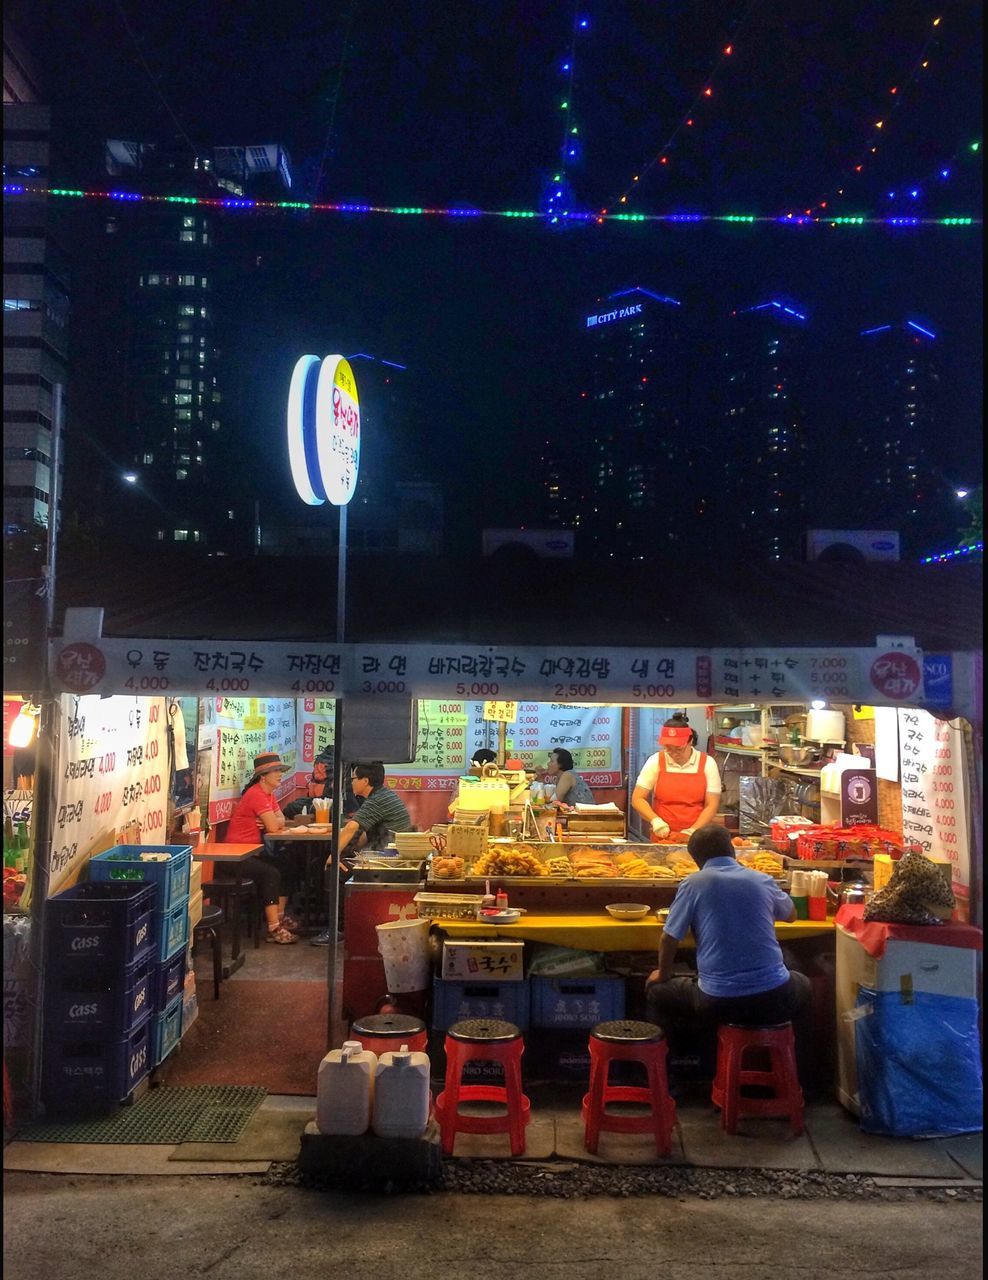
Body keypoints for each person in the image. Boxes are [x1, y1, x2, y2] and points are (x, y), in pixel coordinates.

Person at [646, 824, 811, 1079]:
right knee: (801, 978)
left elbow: (669, 938)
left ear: (696, 859)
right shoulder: (761, 879)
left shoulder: (693, 883)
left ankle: (669, 1080)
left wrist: (663, 974)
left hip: (717, 1002)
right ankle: (799, 1079)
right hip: (775, 998)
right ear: (732, 850)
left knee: (656, 992)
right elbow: (791, 915)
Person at [310, 761, 415, 946]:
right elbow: (364, 835)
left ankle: (337, 930)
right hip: (388, 853)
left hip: (391, 859)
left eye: (353, 778)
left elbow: (351, 828)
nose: (351, 783)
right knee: (334, 864)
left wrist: (334, 856)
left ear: (365, 780)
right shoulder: (381, 796)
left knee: (334, 872)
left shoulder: (378, 799)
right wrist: (347, 853)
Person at [224, 752, 300, 944]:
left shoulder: (268, 795)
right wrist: (273, 821)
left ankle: (280, 916)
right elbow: (275, 826)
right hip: (235, 857)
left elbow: (280, 820)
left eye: (280, 770)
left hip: (252, 853)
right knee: (271, 873)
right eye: (276, 771)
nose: (280, 774)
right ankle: (273, 927)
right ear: (263, 776)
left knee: (289, 865)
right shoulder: (256, 794)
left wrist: (273, 821)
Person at [631, 712, 721, 840]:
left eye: (679, 749)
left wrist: (692, 831)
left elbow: (711, 805)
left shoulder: (708, 763)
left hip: (698, 836)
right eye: (668, 748)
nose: (673, 754)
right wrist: (655, 821)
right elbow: (637, 798)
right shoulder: (655, 760)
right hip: (663, 835)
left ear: (690, 741)